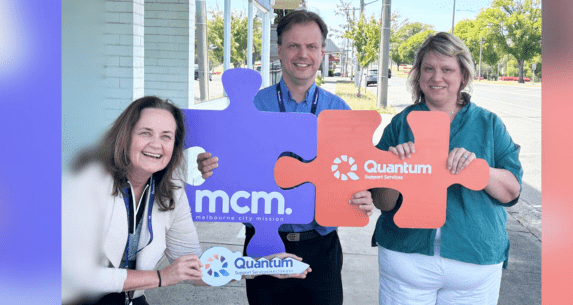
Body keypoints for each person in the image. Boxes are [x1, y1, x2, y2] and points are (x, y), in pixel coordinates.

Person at [196, 10, 374, 305]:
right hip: (264, 244)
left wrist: (362, 194)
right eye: (294, 46)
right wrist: (208, 167)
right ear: (279, 50)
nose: (303, 54)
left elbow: (355, 172)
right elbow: (226, 163)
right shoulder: (252, 104)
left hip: (321, 246)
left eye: (311, 46)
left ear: (321, 52)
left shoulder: (340, 110)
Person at [64, 96, 309, 305]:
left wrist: (264, 266)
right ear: (125, 136)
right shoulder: (87, 180)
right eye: (145, 133)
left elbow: (195, 269)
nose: (156, 144)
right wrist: (161, 277)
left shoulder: (170, 190)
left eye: (166, 136)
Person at [369, 32, 523, 305]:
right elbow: (383, 202)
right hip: (407, 258)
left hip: (475, 260)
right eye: (429, 68)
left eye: (447, 69)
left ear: (463, 75)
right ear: (418, 75)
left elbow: (511, 192)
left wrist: (478, 169)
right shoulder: (401, 124)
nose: (436, 77)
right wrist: (396, 170)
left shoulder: (489, 124)